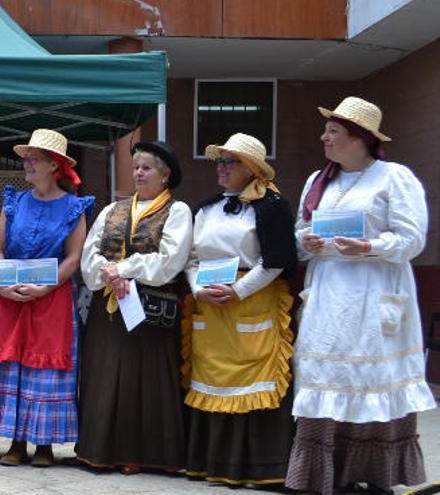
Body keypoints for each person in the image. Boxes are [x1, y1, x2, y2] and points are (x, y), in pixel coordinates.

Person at [286, 97, 436, 494]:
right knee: (326, 378)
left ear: (360, 139)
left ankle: (374, 474)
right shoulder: (319, 181)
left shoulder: (393, 177)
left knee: (372, 380)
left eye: (333, 132)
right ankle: (323, 476)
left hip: (374, 295)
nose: (325, 137)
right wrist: (310, 241)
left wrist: (368, 246)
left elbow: (412, 240)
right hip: (329, 295)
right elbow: (300, 235)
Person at [181, 133, 298, 486]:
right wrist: (199, 290)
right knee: (212, 378)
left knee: (253, 380)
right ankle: (212, 463)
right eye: (219, 161)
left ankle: (258, 467)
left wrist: (239, 290)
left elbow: (276, 260)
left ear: (251, 168)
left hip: (252, 300)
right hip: (210, 306)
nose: (221, 168)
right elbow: (191, 258)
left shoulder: (273, 205)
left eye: (229, 162)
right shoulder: (205, 208)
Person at [0, 129, 94, 468]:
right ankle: (16, 441)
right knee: (13, 363)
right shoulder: (14, 202)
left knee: (46, 364)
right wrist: (1, 284)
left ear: (53, 165)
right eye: (26, 158)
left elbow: (74, 257)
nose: (27, 164)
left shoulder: (74, 207)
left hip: (52, 298)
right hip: (12, 297)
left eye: (34, 158)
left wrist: (45, 288)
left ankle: (44, 444)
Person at [76, 141, 192, 474]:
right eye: (136, 167)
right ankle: (100, 449)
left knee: (144, 381)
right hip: (109, 307)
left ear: (165, 175)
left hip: (150, 311)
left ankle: (143, 453)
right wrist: (109, 276)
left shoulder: (177, 211)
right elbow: (90, 255)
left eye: (147, 168)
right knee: (106, 374)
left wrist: (124, 269)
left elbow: (171, 261)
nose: (139, 173)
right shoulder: (112, 210)